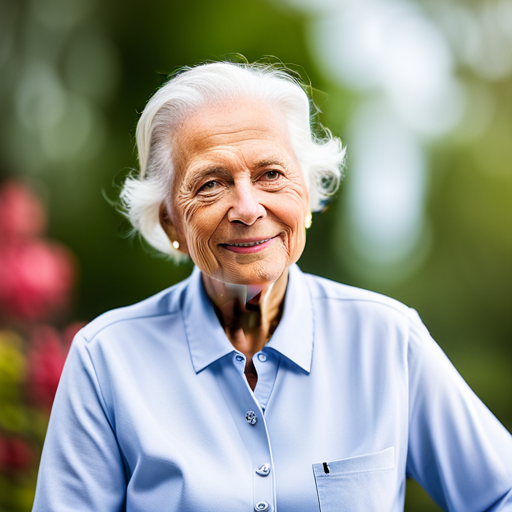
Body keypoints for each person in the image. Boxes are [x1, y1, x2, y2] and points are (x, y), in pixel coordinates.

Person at [32, 61, 512, 512]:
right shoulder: (107, 358)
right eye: (211, 184)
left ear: (307, 196)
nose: (247, 207)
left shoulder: (388, 340)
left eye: (271, 175)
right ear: (170, 222)